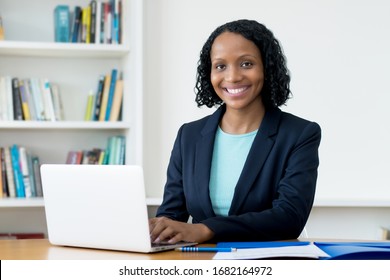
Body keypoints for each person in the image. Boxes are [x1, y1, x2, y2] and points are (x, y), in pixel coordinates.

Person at [149, 19, 321, 244]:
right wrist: (158, 229)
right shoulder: (188, 136)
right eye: (220, 66)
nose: (232, 77)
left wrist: (206, 229)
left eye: (246, 64)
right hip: (200, 262)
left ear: (267, 68)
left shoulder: (299, 134)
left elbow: (289, 218)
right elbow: (172, 214)